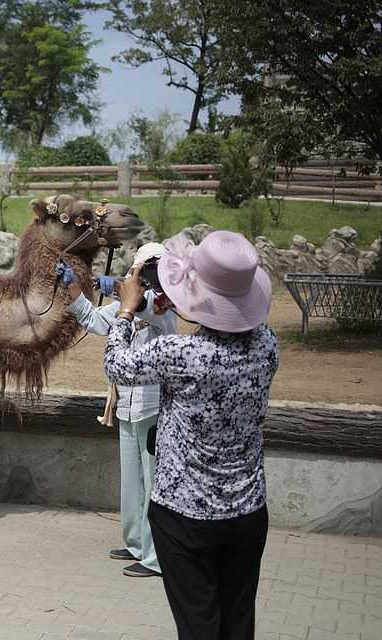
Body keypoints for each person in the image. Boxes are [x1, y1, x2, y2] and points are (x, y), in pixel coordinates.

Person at [103, 230, 278, 640]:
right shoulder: (268, 345)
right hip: (248, 511)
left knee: (199, 625)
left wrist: (127, 310)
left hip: (184, 516)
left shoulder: (180, 354)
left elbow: (117, 365)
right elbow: (231, 324)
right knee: (237, 622)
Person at [63, 242, 175, 579]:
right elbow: (93, 319)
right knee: (131, 482)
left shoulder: (165, 304)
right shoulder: (129, 303)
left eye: (146, 270)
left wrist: (115, 285)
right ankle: (137, 543)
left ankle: (156, 558)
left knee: (154, 484)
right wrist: (73, 285)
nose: (141, 276)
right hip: (126, 405)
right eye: (139, 269)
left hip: (154, 407)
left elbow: (141, 304)